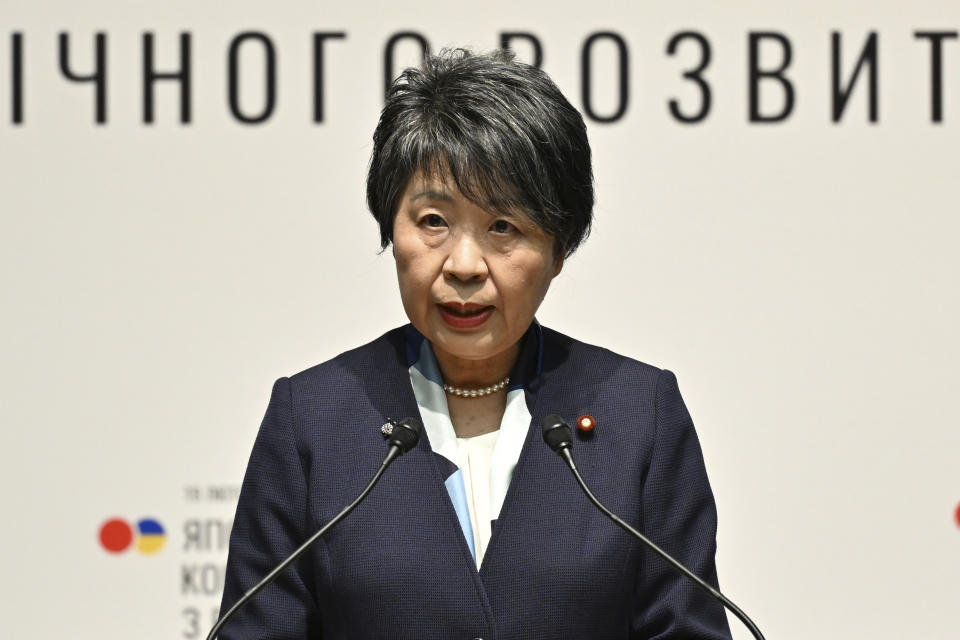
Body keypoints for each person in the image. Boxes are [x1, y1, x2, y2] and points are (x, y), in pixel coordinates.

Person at [219, 47, 732, 640]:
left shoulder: (638, 412)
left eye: (504, 228)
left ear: (559, 250)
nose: (464, 265)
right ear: (393, 229)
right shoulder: (313, 417)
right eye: (433, 220)